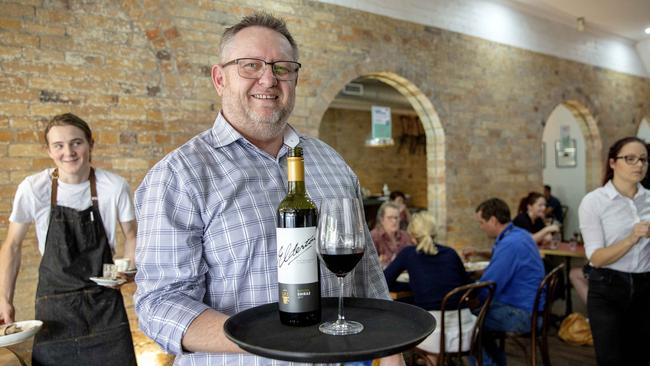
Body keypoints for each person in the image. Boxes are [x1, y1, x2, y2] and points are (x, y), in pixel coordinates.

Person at [133, 13, 403, 366]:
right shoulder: (179, 175)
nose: (268, 79)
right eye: (250, 65)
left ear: (294, 77)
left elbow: (367, 275)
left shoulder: (332, 164)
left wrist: (393, 353)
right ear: (219, 78)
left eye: (282, 68)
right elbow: (160, 304)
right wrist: (263, 339)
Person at [0, 113, 137, 365]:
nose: (69, 152)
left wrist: (127, 269)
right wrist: (3, 299)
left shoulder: (114, 186)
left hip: (103, 303)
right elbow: (13, 245)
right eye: (59, 145)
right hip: (55, 310)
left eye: (77, 143)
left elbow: (132, 235)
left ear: (90, 144)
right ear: (49, 151)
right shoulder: (33, 188)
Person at [578, 136, 650, 365]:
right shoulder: (594, 202)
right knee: (611, 360)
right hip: (608, 289)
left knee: (641, 358)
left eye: (643, 160)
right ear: (612, 163)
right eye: (630, 159)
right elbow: (596, 259)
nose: (638, 165)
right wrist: (632, 238)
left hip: (645, 287)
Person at [384, 211, 473, 357]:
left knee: (401, 321)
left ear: (412, 236)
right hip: (464, 331)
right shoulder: (450, 253)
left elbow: (385, 281)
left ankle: (428, 360)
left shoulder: (408, 254)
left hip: (433, 334)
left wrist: (413, 285)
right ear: (435, 233)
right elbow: (467, 286)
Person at [473, 198, 545, 366]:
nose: (481, 227)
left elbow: (489, 286)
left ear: (493, 220)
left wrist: (471, 299)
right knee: (476, 319)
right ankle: (497, 361)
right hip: (534, 309)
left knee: (467, 322)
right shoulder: (521, 235)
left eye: (482, 222)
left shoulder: (510, 244)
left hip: (524, 315)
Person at [371, 201, 413, 267]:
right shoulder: (374, 236)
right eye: (390, 218)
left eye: (396, 218)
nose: (394, 221)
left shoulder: (405, 236)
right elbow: (369, 266)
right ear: (382, 219)